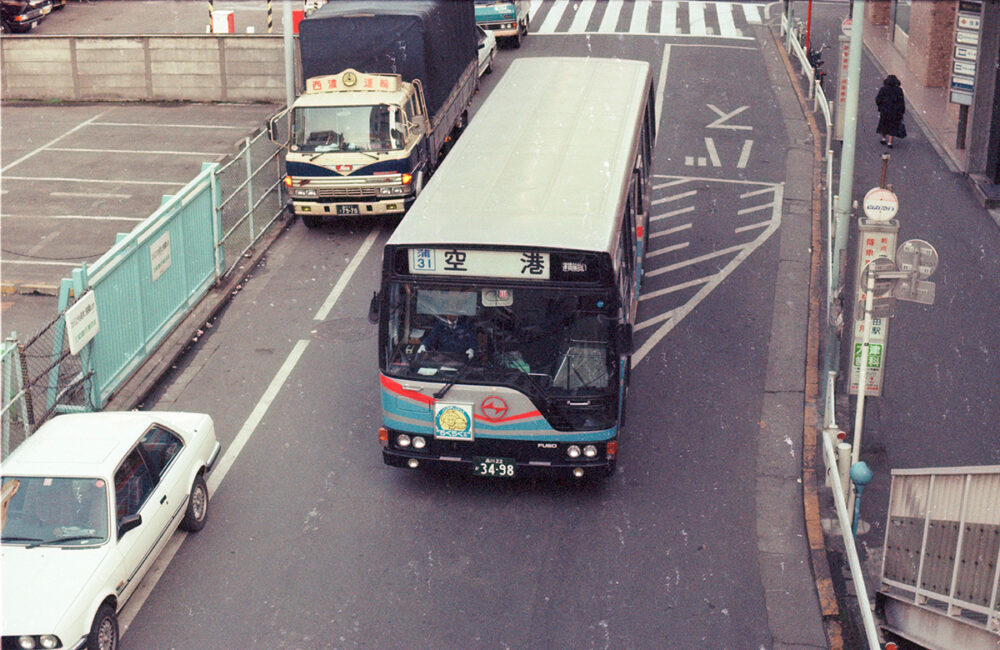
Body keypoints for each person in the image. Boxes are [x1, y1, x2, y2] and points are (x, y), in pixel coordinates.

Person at [876, 75, 905, 149]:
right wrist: (901, 111)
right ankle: (890, 142)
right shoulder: (899, 90)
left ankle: (883, 138)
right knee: (893, 126)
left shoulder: (883, 89)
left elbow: (878, 99)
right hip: (895, 111)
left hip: (885, 110)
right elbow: (901, 102)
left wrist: (880, 106)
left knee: (884, 124)